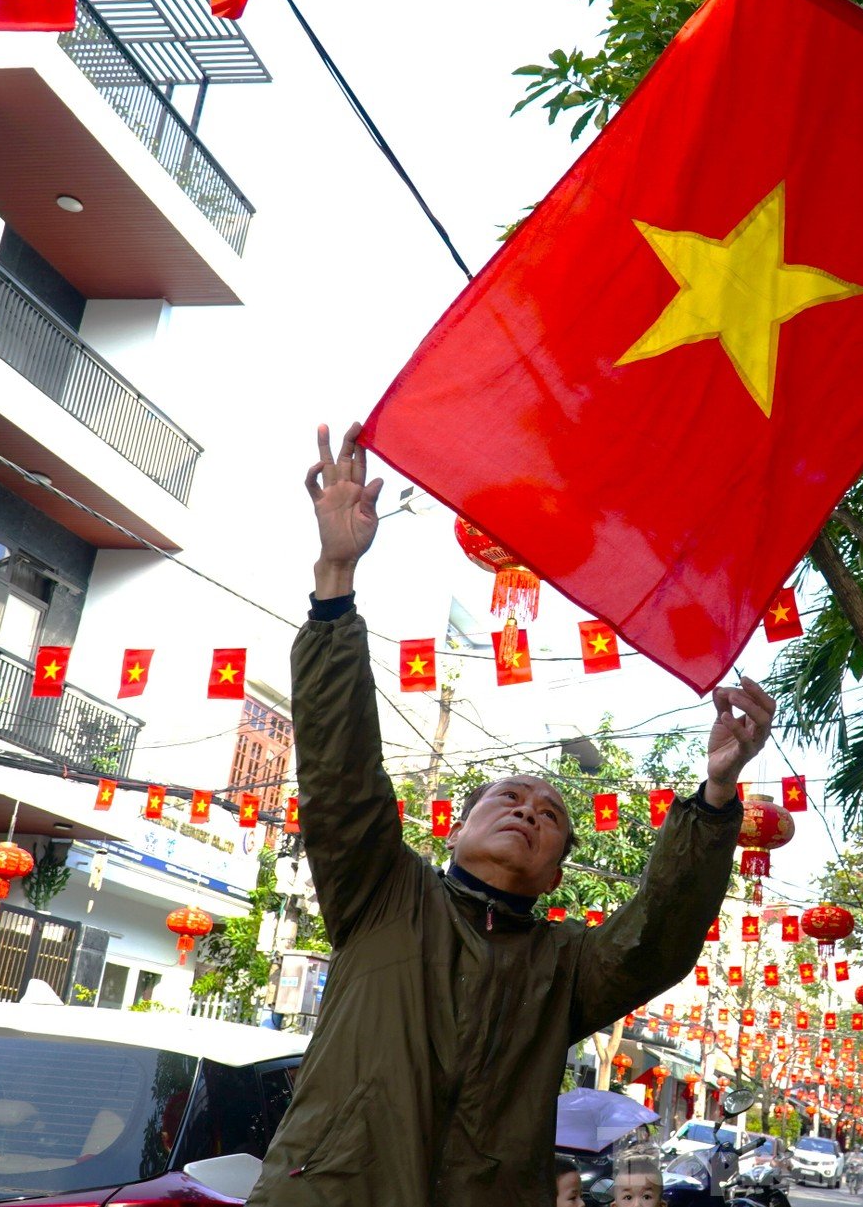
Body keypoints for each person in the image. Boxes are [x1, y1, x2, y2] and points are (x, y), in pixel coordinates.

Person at [249, 423, 775, 1207]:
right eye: (508, 797)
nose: (528, 810)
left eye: (550, 812)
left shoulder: (564, 967)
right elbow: (341, 769)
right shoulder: (383, 893)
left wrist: (718, 794)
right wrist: (335, 573)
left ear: (559, 869)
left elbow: (660, 935)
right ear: (455, 829)